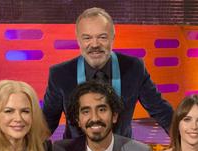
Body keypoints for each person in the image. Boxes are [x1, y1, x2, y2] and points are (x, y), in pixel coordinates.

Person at [43, 7, 173, 139]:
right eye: (87, 38)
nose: (94, 44)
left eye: (102, 37)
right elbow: (46, 124)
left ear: (113, 38)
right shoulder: (60, 75)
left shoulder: (134, 68)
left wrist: (185, 143)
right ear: (78, 40)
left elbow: (161, 111)